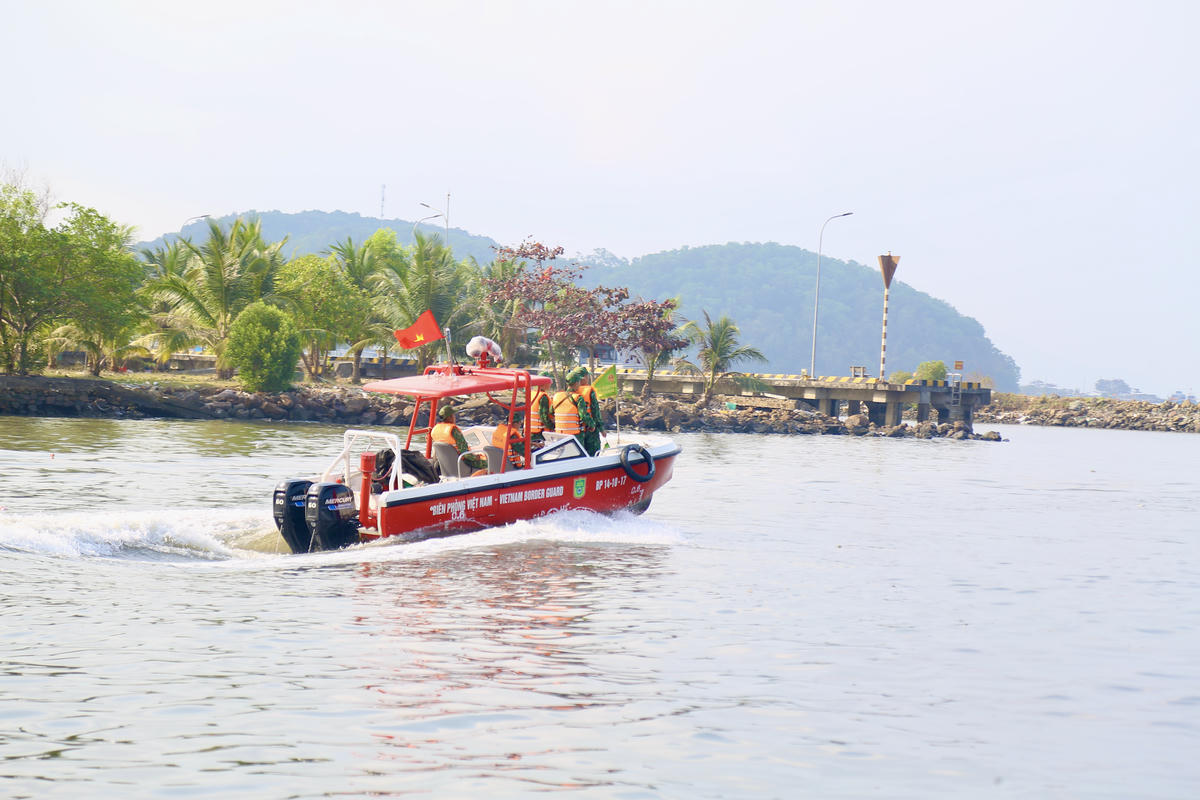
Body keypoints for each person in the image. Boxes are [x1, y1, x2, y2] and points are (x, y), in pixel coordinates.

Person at [431, 404, 486, 472]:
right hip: (461, 462)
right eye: (453, 415)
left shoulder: (435, 429)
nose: (454, 417)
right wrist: (476, 457)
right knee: (490, 462)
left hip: (446, 464)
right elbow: (466, 454)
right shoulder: (453, 430)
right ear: (449, 417)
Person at [567, 366, 604, 456]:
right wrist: (601, 428)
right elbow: (595, 411)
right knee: (593, 453)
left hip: (576, 430)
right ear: (583, 377)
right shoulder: (589, 391)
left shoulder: (568, 392)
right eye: (587, 376)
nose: (588, 378)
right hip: (590, 429)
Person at [529, 373, 553, 447]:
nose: (551, 384)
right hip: (538, 432)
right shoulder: (543, 397)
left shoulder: (531, 393)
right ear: (544, 383)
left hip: (529, 429)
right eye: (549, 382)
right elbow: (544, 416)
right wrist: (552, 427)